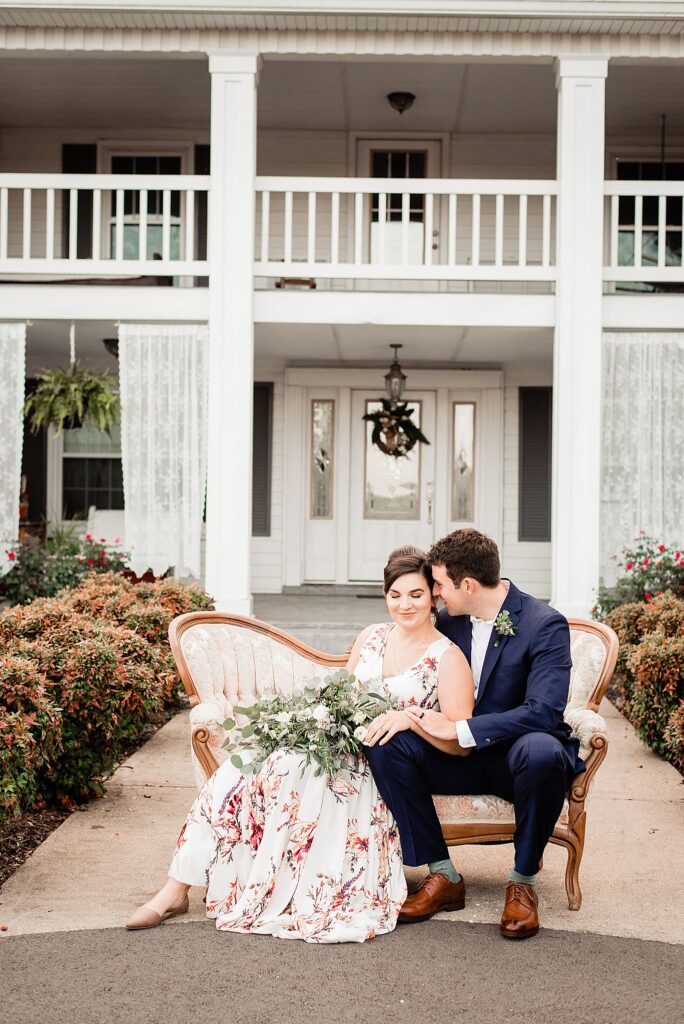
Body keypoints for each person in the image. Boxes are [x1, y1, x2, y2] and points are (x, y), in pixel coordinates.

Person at [124, 546, 473, 943]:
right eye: (395, 595)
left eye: (415, 594)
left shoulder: (447, 657)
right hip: (334, 742)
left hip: (376, 763)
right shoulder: (372, 637)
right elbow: (344, 692)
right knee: (240, 768)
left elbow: (460, 738)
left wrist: (409, 717)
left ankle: (272, 885)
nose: (404, 604)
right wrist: (318, 720)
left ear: (433, 596)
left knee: (291, 769)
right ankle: (175, 889)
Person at [364, 528, 580, 940]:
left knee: (542, 751)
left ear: (466, 585)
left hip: (517, 756)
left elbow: (544, 711)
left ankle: (522, 883)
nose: (437, 594)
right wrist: (413, 717)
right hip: (456, 755)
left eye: (440, 586)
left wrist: (463, 728)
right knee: (387, 741)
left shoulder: (544, 624)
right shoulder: (449, 620)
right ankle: (442, 875)